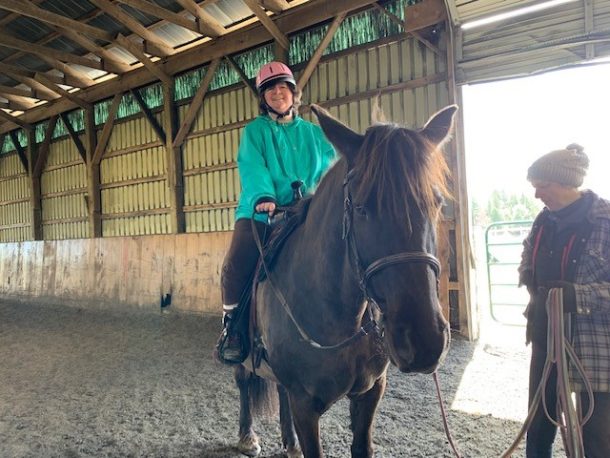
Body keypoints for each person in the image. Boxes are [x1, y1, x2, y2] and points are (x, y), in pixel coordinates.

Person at [216, 61, 336, 363]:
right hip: (262, 212)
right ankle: (232, 328)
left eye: (283, 87)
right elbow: (252, 166)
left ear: (293, 93)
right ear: (263, 97)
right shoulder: (255, 132)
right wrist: (263, 195)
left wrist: (326, 198)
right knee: (235, 265)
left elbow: (331, 169)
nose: (277, 92)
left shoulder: (314, 134)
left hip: (307, 211)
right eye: (270, 89)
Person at [518, 144, 610, 457]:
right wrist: (529, 277)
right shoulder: (543, 222)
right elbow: (527, 256)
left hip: (591, 347)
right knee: (539, 424)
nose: (537, 195)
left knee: (595, 434)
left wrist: (577, 296)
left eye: (541, 187)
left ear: (565, 184)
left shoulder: (606, 223)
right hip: (545, 338)